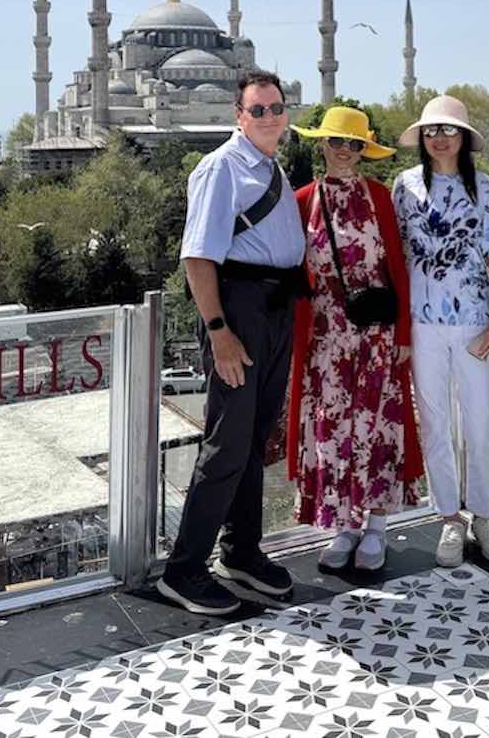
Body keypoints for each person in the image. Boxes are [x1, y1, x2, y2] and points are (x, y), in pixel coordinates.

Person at [157, 72, 306, 615]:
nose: (269, 117)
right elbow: (198, 257)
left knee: (253, 438)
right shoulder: (221, 167)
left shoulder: (270, 168)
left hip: (273, 310)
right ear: (238, 115)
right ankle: (184, 570)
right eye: (257, 109)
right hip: (237, 314)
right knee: (226, 441)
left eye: (276, 108)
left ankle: (241, 552)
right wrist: (219, 332)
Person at [286, 107, 423, 572]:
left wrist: (403, 333)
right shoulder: (303, 199)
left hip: (376, 336)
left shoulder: (380, 198)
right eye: (336, 143)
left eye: (354, 145)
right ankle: (344, 525)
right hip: (326, 339)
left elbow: (398, 270)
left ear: (365, 151)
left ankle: (377, 527)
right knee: (335, 432)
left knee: (378, 427)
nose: (344, 152)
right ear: (321, 146)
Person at [393, 95, 489, 568]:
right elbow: (399, 256)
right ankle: (448, 516)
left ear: (464, 138)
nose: (439, 138)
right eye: (431, 131)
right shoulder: (405, 187)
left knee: (480, 420)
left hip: (473, 321)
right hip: (423, 322)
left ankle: (484, 513)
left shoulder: (486, 190)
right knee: (436, 421)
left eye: (448, 130)